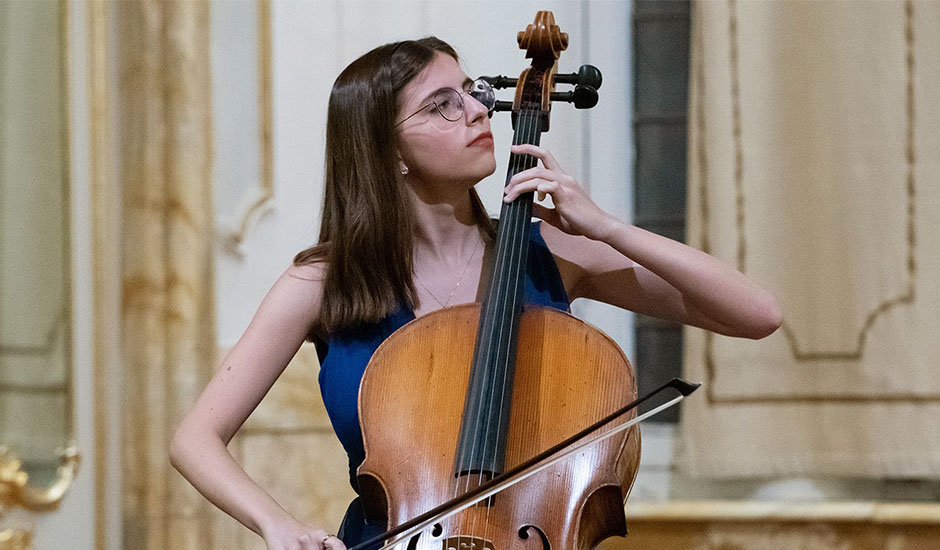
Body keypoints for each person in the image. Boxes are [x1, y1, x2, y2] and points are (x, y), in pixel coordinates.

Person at [170, 37, 782, 550]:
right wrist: (276, 524)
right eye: (442, 105)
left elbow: (756, 313)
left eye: (472, 92)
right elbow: (195, 440)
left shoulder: (552, 253)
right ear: (389, 153)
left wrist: (607, 227)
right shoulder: (326, 284)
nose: (477, 111)